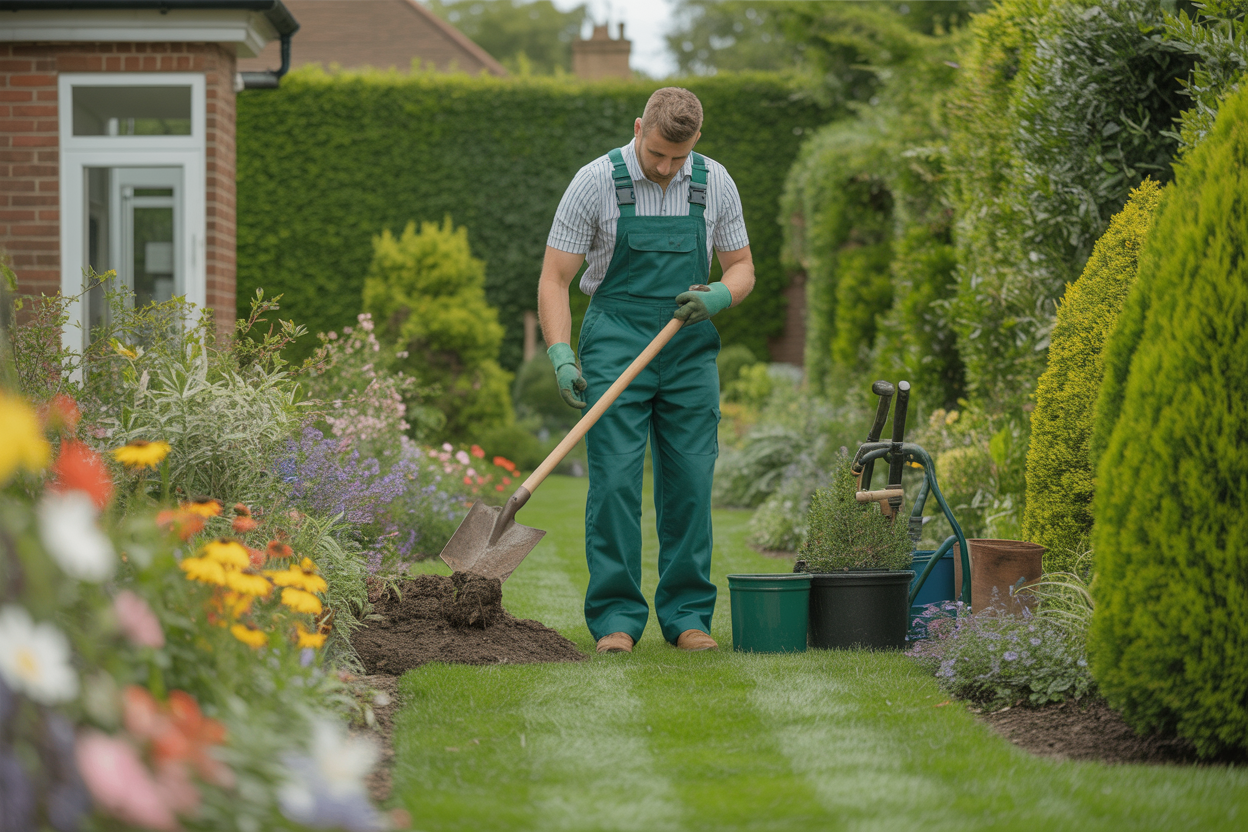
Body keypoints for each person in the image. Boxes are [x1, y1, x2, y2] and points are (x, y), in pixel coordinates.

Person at [537, 87, 755, 654]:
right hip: (615, 340)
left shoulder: (715, 182)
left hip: (687, 346)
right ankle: (616, 619)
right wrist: (562, 354)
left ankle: (688, 618)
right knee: (612, 483)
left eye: (677, 158)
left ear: (696, 143)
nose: (665, 167)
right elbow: (554, 277)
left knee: (690, 483)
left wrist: (721, 299)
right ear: (639, 127)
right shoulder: (596, 182)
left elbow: (741, 268)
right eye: (657, 152)